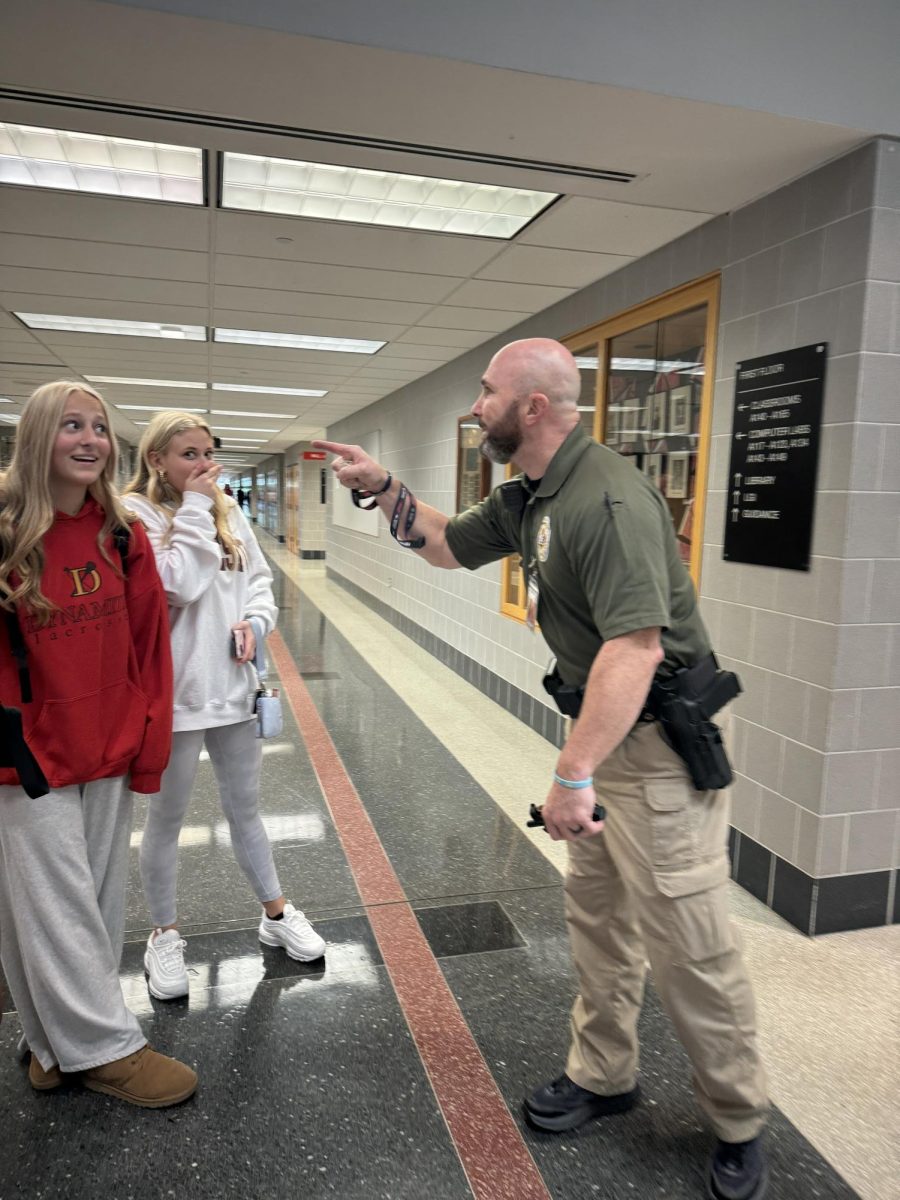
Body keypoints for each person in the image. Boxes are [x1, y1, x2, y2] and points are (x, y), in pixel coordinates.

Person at [315, 338, 769, 1200]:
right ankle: (604, 1073)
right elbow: (446, 546)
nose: (474, 406)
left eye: (486, 394)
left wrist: (572, 775)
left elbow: (635, 650)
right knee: (598, 919)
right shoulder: (530, 495)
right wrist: (381, 488)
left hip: (657, 750)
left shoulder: (607, 501)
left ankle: (739, 1117)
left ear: (532, 407)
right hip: (607, 744)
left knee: (690, 945)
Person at [0, 380, 197, 1107]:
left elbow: (150, 647)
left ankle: (51, 1040)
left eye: (100, 428)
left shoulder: (122, 533)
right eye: (71, 426)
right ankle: (105, 1049)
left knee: (96, 897)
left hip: (107, 743)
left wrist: (150, 741)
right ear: (38, 438)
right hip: (27, 756)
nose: (90, 440)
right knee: (46, 904)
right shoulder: (5, 528)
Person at [124, 412, 325, 1001]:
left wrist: (256, 623)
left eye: (207, 453)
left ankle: (276, 912)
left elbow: (260, 581)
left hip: (235, 690)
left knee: (247, 810)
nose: (203, 465)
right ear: (157, 459)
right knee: (167, 821)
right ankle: (163, 934)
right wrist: (193, 506)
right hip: (176, 698)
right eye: (188, 454)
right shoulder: (136, 516)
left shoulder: (228, 510)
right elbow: (176, 585)